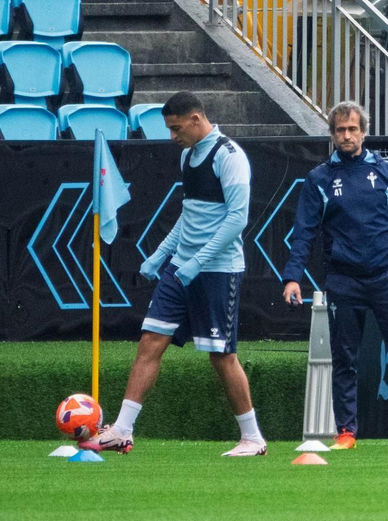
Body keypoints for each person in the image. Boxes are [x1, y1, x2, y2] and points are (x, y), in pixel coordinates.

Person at [82, 91, 266, 457]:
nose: (172, 136)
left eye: (176, 128)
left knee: (221, 356)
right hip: (180, 269)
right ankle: (122, 429)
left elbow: (236, 220)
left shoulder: (230, 158)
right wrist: (161, 255)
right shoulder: (187, 156)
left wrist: (198, 262)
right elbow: (189, 214)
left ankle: (253, 438)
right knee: (150, 340)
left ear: (196, 120)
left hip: (217, 270)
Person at [281, 101, 388, 449]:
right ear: (331, 134)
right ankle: (346, 432)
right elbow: (304, 233)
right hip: (344, 281)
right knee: (345, 357)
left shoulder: (387, 173)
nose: (347, 135)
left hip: (387, 276)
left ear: (364, 132)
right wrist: (292, 276)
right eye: (340, 130)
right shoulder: (319, 179)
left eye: (352, 129)